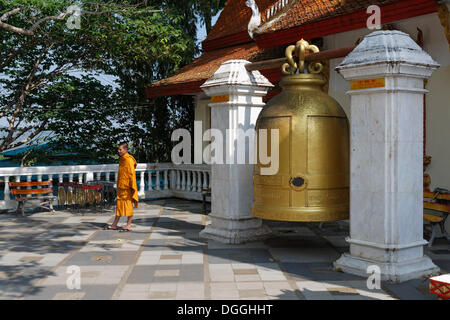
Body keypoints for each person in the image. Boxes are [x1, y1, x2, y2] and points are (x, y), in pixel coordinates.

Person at [105, 142, 138, 232]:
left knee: (128, 206)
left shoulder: (128, 160)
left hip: (127, 187)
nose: (118, 151)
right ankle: (115, 224)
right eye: (118, 149)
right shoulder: (122, 159)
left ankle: (128, 225)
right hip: (121, 186)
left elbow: (131, 174)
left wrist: (131, 186)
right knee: (119, 206)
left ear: (125, 149)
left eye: (120, 149)